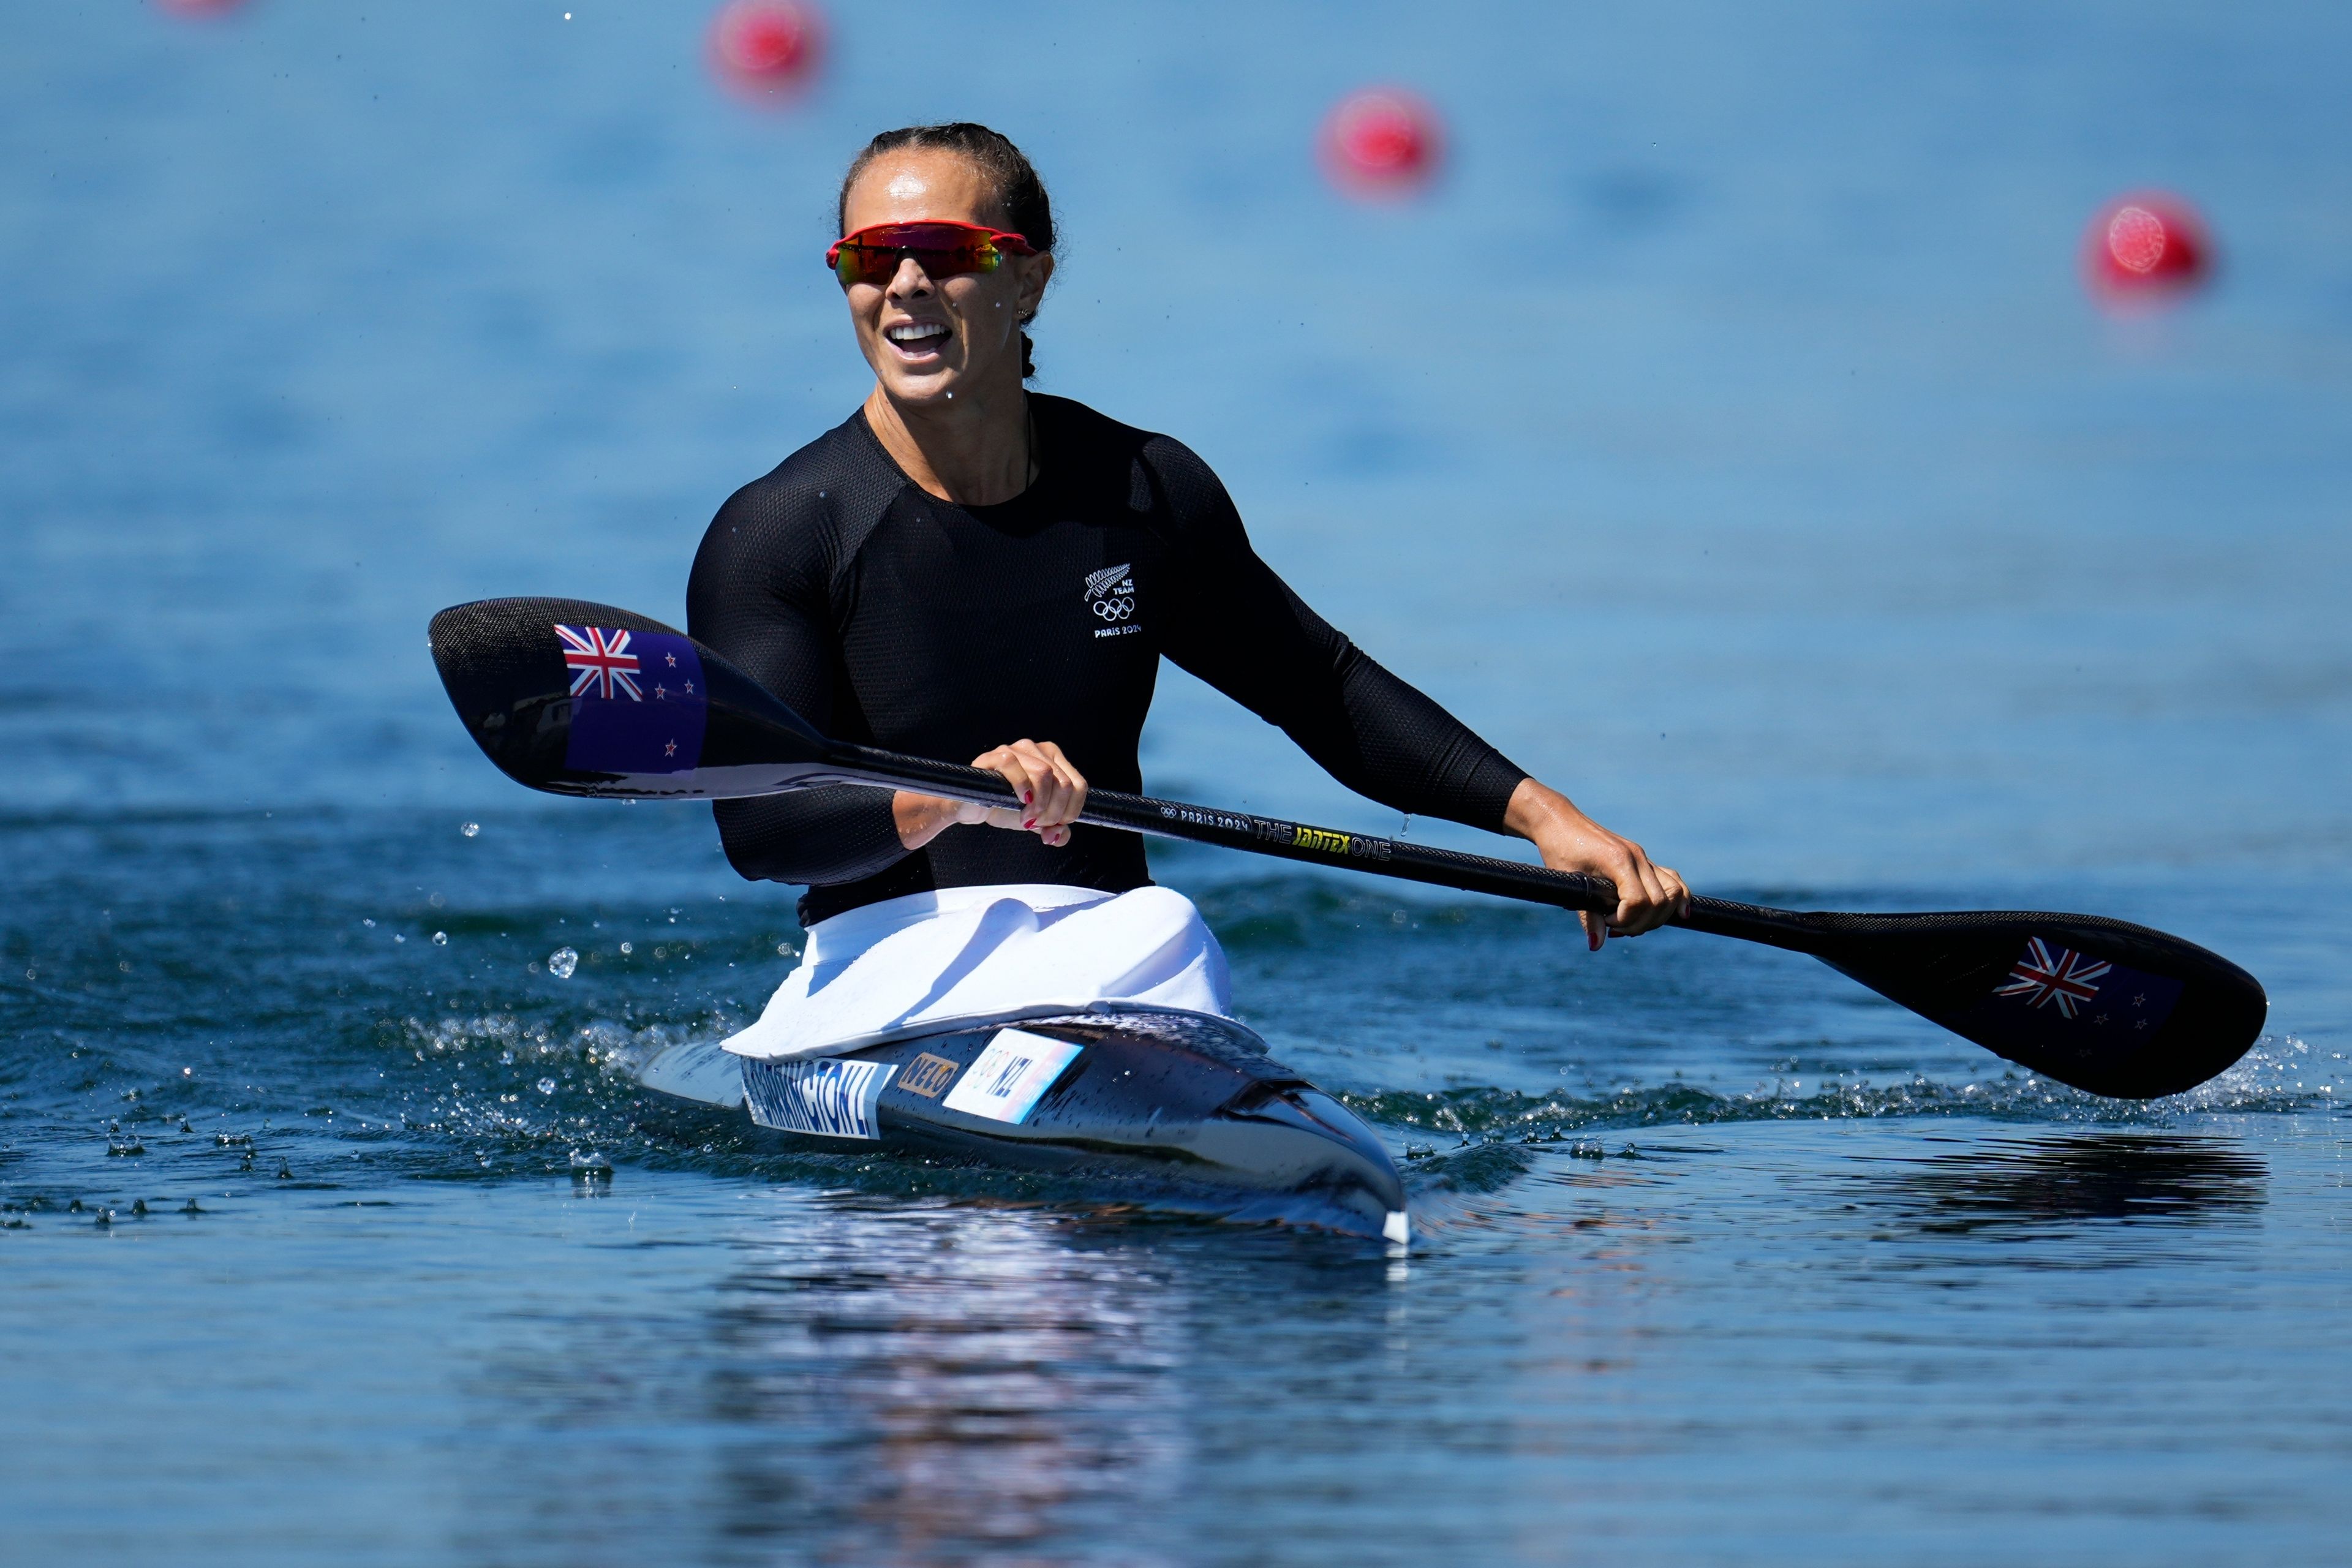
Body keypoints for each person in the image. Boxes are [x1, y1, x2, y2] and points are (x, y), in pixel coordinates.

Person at [689, 123, 1687, 1053]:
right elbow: (764, 829)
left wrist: (1548, 821)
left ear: (1028, 278)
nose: (905, 284)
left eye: (946, 251)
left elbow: (1325, 692)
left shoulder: (1144, 493)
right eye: (869, 259)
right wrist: (955, 800)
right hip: (888, 965)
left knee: (1169, 924)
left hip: (1119, 954)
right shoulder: (782, 529)